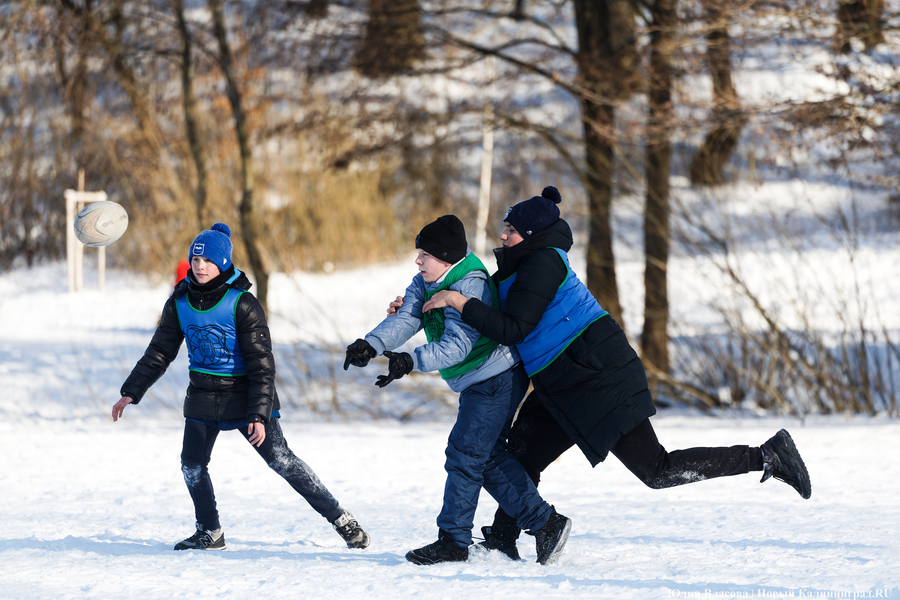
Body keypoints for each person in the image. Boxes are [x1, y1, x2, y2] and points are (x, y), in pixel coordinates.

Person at [419, 186, 812, 559]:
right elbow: (497, 313)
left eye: (511, 230)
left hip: (597, 377)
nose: (503, 236)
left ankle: (766, 455)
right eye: (505, 228)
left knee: (656, 469)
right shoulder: (522, 266)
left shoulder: (543, 261)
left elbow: (513, 328)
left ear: (532, 234)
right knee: (520, 454)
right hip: (562, 380)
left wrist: (457, 300)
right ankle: (507, 538)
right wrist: (423, 303)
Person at [112, 223, 370, 552]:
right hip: (203, 395)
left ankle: (342, 520)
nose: (199, 266)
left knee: (281, 460)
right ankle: (209, 531)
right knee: (191, 464)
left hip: (245, 393)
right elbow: (159, 353)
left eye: (207, 261)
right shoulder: (178, 302)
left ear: (222, 263)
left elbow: (262, 366)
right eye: (195, 259)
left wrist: (258, 414)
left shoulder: (243, 304)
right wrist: (130, 391)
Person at [344, 215, 571, 565]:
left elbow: (456, 347)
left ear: (447, 258)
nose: (418, 260)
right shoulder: (428, 280)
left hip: (495, 377)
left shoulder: (468, 285)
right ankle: (546, 523)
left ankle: (453, 540)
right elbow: (408, 316)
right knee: (485, 455)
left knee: (465, 453)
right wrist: (370, 344)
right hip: (478, 381)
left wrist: (409, 361)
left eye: (425, 254)